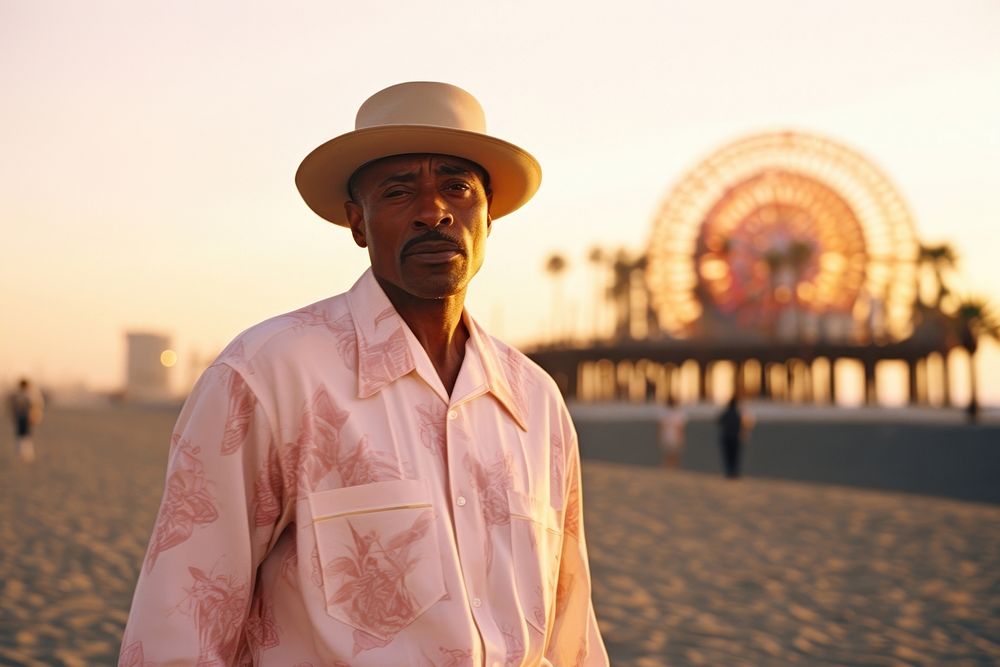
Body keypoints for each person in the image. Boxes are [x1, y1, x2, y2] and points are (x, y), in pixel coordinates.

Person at [119, 82, 609, 666]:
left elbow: (570, 626)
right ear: (358, 222)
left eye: (457, 186)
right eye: (400, 191)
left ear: (488, 215)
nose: (434, 210)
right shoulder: (271, 373)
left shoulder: (535, 401)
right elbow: (183, 621)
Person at [8, 378, 43, 463]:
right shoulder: (22, 395)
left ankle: (26, 454)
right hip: (22, 418)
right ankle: (24, 454)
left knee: (25, 436)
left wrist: (34, 416)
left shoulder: (28, 395)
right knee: (24, 436)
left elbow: (35, 407)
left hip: (25, 418)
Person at [717, 395, 752, 479]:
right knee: (735, 456)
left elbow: (718, 421)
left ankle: (729, 472)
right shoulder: (739, 413)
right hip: (736, 438)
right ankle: (734, 473)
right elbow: (747, 424)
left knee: (728, 456)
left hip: (726, 437)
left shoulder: (726, 412)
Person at [657, 395, 686, 468]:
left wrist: (659, 435)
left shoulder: (663, 412)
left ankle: (668, 465)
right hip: (674, 435)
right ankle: (672, 465)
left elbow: (661, 426)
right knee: (674, 452)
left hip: (666, 434)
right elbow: (680, 427)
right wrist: (681, 436)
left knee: (668, 451)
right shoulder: (679, 413)